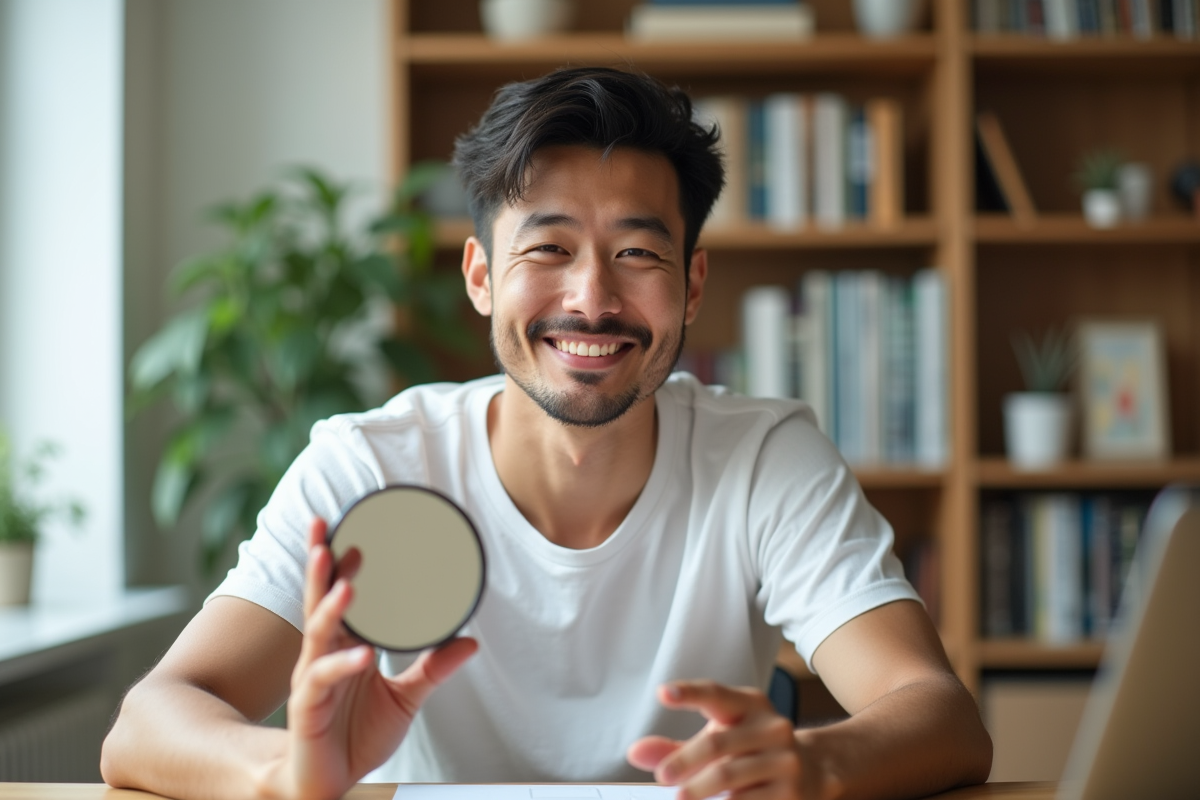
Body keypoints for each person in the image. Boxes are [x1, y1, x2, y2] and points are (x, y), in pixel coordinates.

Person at [101, 66, 992, 800]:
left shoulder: (763, 459)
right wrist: (286, 775)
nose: (592, 299)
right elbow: (151, 721)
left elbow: (938, 712)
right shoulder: (372, 463)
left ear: (691, 285)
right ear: (482, 275)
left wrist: (816, 762)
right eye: (549, 249)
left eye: (638, 253)